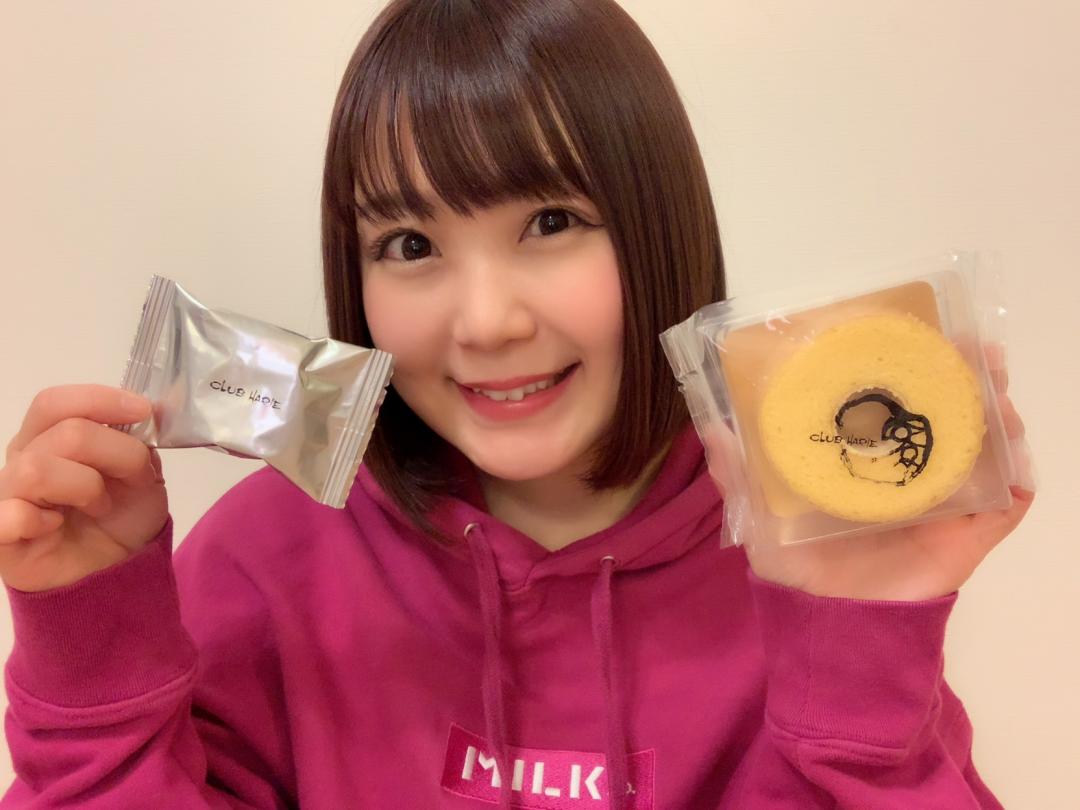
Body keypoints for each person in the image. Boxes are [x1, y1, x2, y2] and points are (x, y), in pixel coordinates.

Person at [0, 1, 1034, 807]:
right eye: (410, 245)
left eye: (550, 221)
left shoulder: (802, 552)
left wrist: (854, 660)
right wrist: (93, 663)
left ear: (661, 224)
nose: (486, 322)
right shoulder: (270, 559)